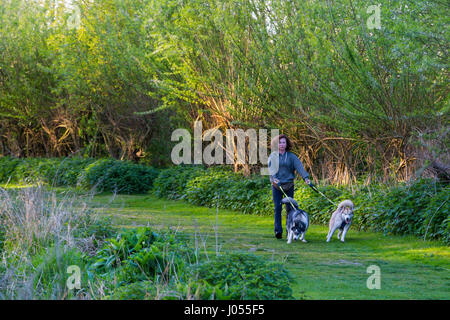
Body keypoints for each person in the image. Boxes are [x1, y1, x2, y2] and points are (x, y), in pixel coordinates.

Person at [268, 134, 310, 239]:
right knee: (277, 207)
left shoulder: (291, 156)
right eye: (280, 142)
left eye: (283, 142)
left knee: (290, 209)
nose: (281, 144)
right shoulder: (273, 156)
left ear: (287, 144)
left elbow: (299, 167)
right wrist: (273, 178)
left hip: (289, 185)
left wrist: (305, 177)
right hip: (277, 185)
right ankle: (278, 231)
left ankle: (289, 231)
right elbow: (271, 169)